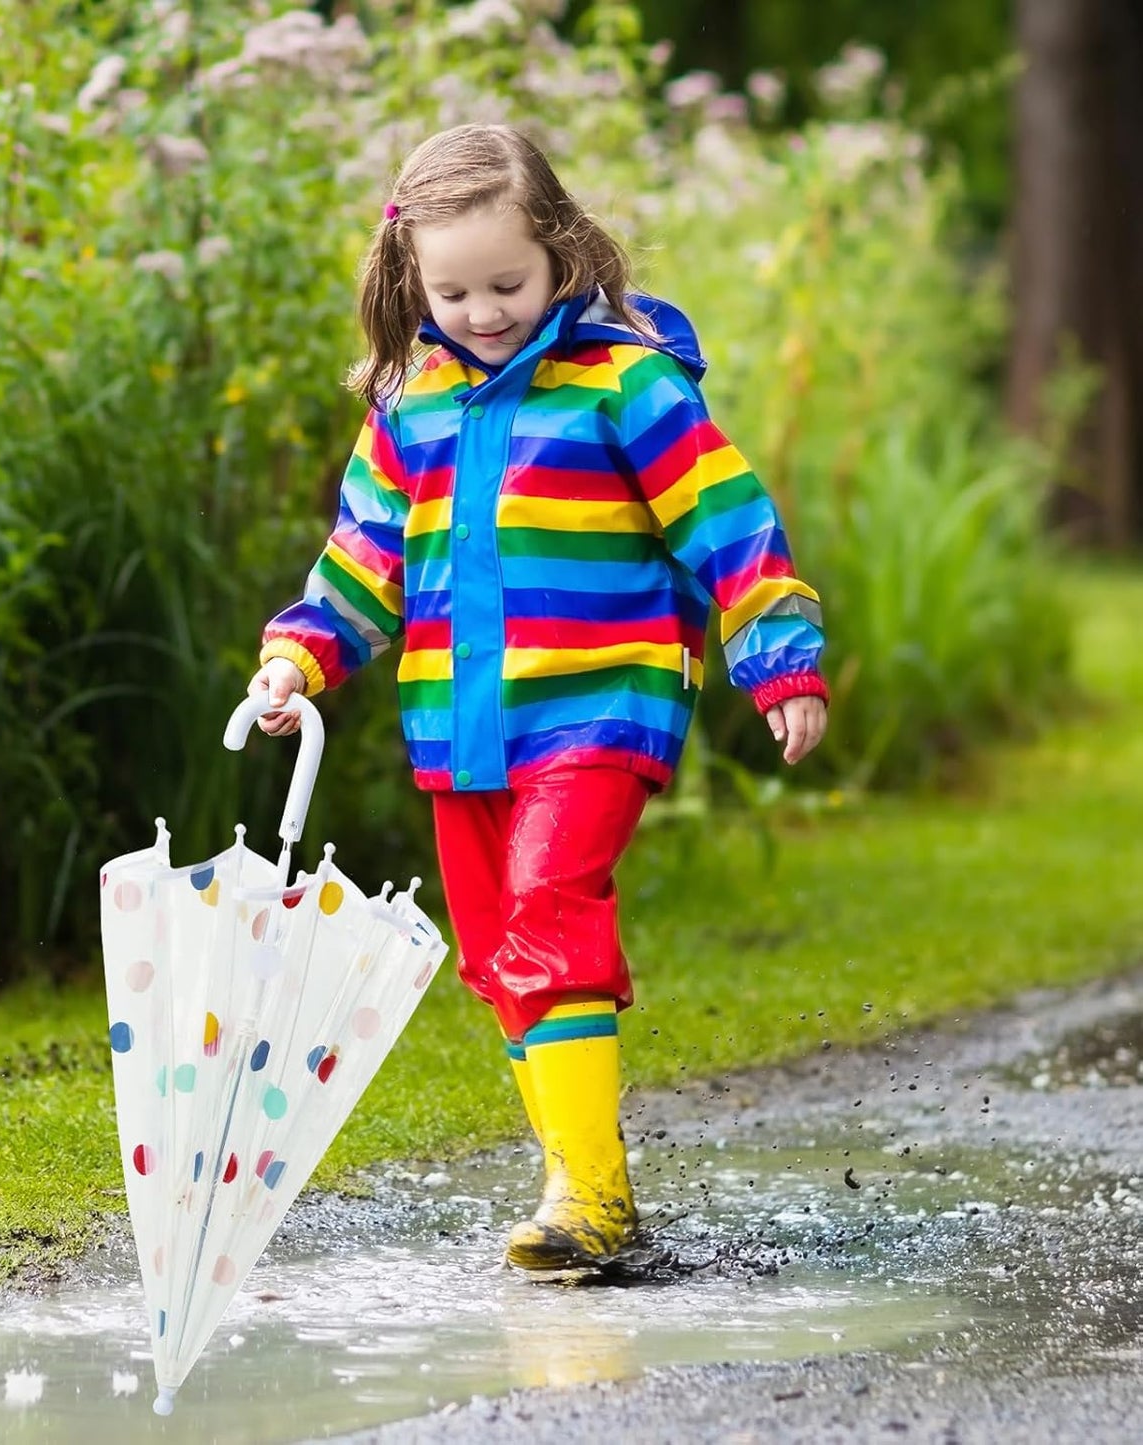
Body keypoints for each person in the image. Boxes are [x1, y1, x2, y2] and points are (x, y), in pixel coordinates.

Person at [248, 123, 828, 1276]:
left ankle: (592, 1201)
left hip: (600, 707)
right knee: (497, 948)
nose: (482, 311)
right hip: (461, 724)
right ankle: (585, 1179)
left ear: (562, 252)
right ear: (412, 280)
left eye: (506, 282)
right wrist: (297, 658)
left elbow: (727, 523)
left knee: (548, 900)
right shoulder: (408, 405)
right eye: (452, 290)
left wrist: (778, 655)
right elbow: (363, 561)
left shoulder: (628, 384)